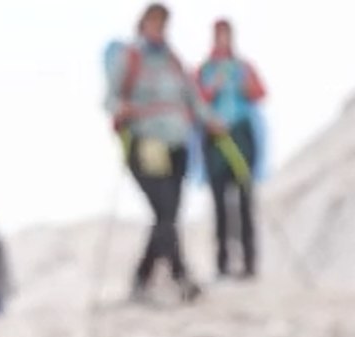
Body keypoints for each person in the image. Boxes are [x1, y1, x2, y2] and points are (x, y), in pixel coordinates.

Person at [104, 3, 224, 303]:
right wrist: (123, 109)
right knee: (165, 212)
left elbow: (192, 98)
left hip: (178, 144)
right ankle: (179, 277)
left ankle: (144, 280)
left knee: (166, 215)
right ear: (143, 24)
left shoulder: (173, 61)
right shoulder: (129, 58)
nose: (159, 28)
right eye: (154, 22)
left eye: (163, 23)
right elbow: (110, 98)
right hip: (146, 143)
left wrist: (210, 120)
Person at [198, 18, 267, 279]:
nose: (222, 39)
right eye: (218, 34)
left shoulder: (243, 68)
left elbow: (260, 93)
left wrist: (245, 86)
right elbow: (196, 101)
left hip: (241, 136)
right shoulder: (205, 70)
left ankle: (249, 263)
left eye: (226, 34)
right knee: (219, 203)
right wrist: (211, 89)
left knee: (245, 200)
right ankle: (222, 263)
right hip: (215, 140)